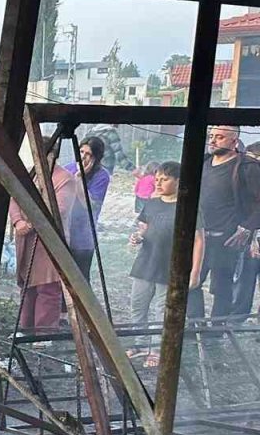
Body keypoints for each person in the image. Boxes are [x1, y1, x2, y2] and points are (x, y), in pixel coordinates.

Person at [187, 128, 260, 321]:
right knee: (191, 282)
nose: (213, 141)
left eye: (219, 137)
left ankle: (215, 333)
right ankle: (195, 324)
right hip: (198, 236)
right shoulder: (203, 162)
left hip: (226, 239)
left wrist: (247, 227)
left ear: (234, 141)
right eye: (211, 136)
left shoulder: (246, 166)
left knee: (222, 287)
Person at [128, 162, 195, 368]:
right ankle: (138, 344)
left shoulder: (185, 207)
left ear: (177, 181)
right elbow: (143, 228)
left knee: (160, 309)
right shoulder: (152, 203)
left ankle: (157, 349)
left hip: (168, 265)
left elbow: (197, 237)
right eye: (157, 179)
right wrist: (137, 237)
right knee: (137, 305)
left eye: (164, 179)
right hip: (146, 262)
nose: (158, 183)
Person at [8, 152, 80, 331]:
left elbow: (59, 209)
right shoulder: (28, 175)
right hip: (25, 238)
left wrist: (30, 224)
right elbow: (14, 197)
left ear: (53, 156)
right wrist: (18, 221)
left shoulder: (65, 179)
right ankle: (25, 329)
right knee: (27, 285)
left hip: (49, 240)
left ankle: (44, 331)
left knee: (47, 287)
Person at [63, 137, 112, 280]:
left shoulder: (101, 176)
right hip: (66, 228)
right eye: (81, 151)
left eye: (88, 154)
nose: (83, 156)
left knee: (81, 278)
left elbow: (88, 206)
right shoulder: (69, 168)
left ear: (96, 157)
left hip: (84, 235)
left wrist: (78, 178)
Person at [231, 142, 260, 318]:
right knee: (246, 275)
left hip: (251, 229)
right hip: (252, 230)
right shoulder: (250, 168)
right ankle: (239, 314)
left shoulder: (248, 168)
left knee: (246, 276)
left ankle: (239, 314)